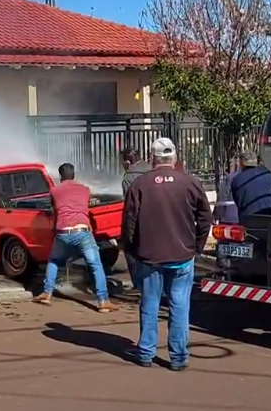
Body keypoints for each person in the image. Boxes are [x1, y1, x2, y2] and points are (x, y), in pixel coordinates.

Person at [122, 137, 213, 370]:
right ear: (174, 157)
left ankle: (145, 353)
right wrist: (198, 246)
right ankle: (178, 358)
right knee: (180, 305)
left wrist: (132, 250)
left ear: (153, 159)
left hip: (149, 257)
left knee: (150, 303)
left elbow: (129, 223)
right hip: (182, 256)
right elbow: (205, 218)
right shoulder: (191, 183)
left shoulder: (140, 185)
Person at [33, 163, 119, 313]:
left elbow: (55, 212)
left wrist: (54, 229)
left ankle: (47, 293)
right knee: (96, 265)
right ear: (74, 175)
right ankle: (103, 301)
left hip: (63, 231)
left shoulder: (54, 191)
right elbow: (84, 208)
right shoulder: (85, 190)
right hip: (82, 231)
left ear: (61, 177)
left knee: (53, 261)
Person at [120, 148, 151, 294]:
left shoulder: (129, 178)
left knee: (131, 251)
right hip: (157, 217)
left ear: (127, 161)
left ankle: (139, 284)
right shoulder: (151, 169)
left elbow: (130, 205)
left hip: (139, 219)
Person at [230, 151, 271, 221]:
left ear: (241, 164)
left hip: (246, 219)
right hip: (268, 217)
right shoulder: (266, 173)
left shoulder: (237, 180)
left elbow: (237, 198)